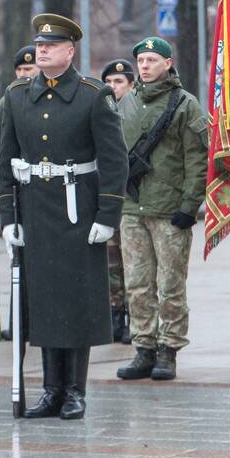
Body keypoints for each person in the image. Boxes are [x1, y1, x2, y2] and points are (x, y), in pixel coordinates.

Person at [0, 13, 128, 420]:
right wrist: (9, 217)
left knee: (76, 304)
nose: (42, 51)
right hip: (37, 210)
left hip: (78, 211)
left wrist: (108, 214)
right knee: (44, 304)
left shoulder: (93, 95)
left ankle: (74, 390)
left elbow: (113, 159)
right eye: (39, 45)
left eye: (51, 46)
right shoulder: (18, 95)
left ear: (70, 51)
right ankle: (50, 390)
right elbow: (7, 159)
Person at [115, 38, 207, 381]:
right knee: (137, 283)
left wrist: (189, 205)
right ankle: (144, 347)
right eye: (140, 59)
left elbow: (197, 160)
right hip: (132, 207)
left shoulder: (185, 104)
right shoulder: (126, 103)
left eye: (152, 59)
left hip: (169, 210)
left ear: (168, 63)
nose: (144, 65)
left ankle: (168, 349)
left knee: (170, 284)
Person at [100, 58, 135, 343]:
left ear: (131, 85)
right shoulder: (99, 111)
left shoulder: (135, 112)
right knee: (111, 262)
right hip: (108, 199)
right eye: (109, 82)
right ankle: (115, 313)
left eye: (119, 82)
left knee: (132, 263)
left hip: (133, 199)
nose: (113, 86)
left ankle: (135, 316)